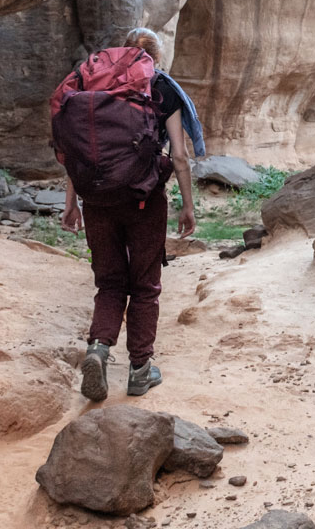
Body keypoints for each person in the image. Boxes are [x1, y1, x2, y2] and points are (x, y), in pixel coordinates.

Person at [58, 27, 203, 401]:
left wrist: (71, 203)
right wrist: (187, 206)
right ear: (154, 57)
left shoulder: (90, 86)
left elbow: (75, 152)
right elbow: (180, 156)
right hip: (144, 199)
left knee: (109, 283)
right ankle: (140, 370)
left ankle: (98, 349)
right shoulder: (159, 86)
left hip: (97, 199)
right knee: (144, 285)